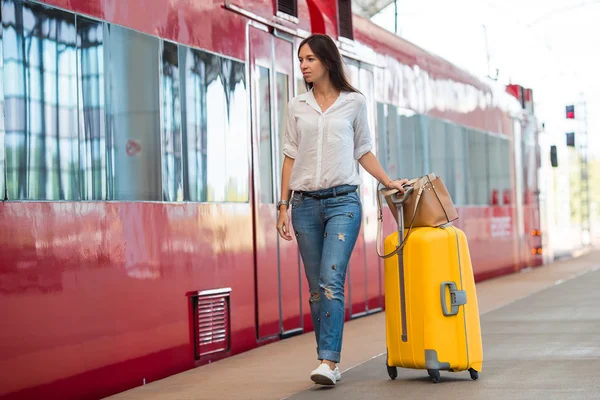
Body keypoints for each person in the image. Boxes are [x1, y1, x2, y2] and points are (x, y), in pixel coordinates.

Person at [276, 33, 409, 386]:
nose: (302, 66)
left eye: (309, 60)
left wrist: (387, 181)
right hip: (304, 205)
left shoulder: (354, 103)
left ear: (327, 62)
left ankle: (328, 361)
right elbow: (290, 157)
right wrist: (282, 206)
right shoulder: (296, 107)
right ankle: (327, 357)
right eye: (300, 60)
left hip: (343, 203)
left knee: (331, 279)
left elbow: (363, 150)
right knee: (316, 288)